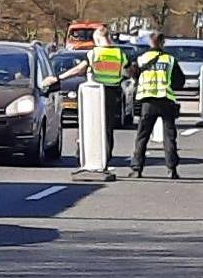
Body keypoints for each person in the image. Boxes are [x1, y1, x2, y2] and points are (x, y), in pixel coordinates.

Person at [46, 28, 127, 160]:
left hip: (96, 92)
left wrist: (59, 78)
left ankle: (87, 154)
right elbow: (128, 71)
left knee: (90, 123)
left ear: (98, 39)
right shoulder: (120, 54)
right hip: (113, 93)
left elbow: (79, 69)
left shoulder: (94, 53)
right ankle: (106, 156)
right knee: (107, 127)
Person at [129, 31, 183, 178]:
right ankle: (172, 169)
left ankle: (137, 168)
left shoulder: (142, 59)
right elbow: (180, 82)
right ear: (163, 43)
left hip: (148, 101)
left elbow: (133, 75)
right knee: (169, 136)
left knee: (142, 136)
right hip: (166, 100)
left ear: (150, 43)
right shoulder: (170, 60)